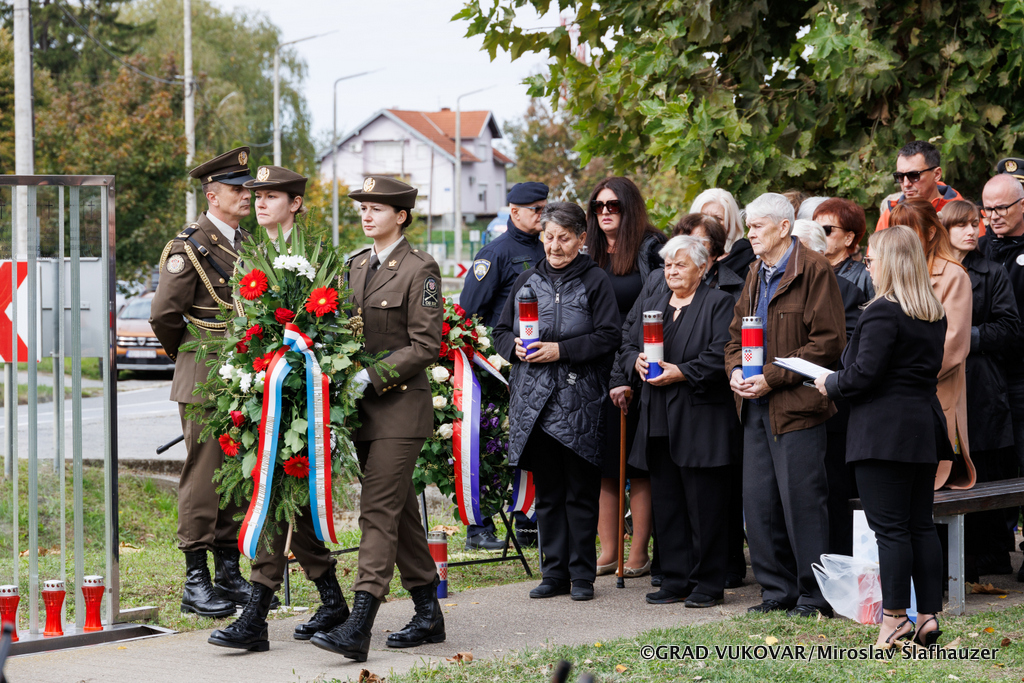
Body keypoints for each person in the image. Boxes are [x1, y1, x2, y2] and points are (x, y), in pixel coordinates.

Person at [208, 166, 345, 651]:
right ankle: (332, 600)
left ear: (296, 204)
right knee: (284, 500)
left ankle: (255, 617)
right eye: (257, 196)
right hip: (259, 394)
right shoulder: (250, 257)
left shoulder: (317, 258)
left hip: (303, 398)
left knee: (274, 498)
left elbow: (330, 329)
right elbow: (242, 328)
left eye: (271, 196)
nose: (260, 203)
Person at [311, 176, 444, 662]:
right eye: (363, 208)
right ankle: (428, 612)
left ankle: (359, 624)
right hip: (362, 413)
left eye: (378, 208)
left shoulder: (419, 268)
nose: (367, 215)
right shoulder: (354, 265)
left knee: (376, 511)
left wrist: (371, 375)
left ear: (401, 216)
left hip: (401, 408)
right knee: (399, 512)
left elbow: (426, 345)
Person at [814, 226, 949, 650]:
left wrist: (830, 383)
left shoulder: (881, 312)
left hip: (883, 432)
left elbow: (863, 375)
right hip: (922, 428)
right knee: (920, 524)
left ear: (888, 262)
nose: (868, 267)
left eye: (871, 260)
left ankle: (893, 620)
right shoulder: (933, 312)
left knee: (890, 530)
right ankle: (927, 616)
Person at [724, 192, 845, 618]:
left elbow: (828, 343)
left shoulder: (813, 269)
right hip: (754, 404)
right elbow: (735, 335)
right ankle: (776, 591)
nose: (750, 234)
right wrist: (735, 371)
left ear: (783, 227)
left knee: (802, 503)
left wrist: (771, 378)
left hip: (797, 406)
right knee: (760, 504)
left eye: (757, 226)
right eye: (749, 226)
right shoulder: (755, 270)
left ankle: (814, 596)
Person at [494, 201, 620, 602]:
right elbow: (500, 330)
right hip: (533, 402)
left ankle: (582, 576)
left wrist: (560, 350)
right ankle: (554, 574)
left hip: (579, 400)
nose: (554, 246)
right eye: (548, 237)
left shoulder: (596, 280)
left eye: (564, 238)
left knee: (580, 492)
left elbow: (609, 336)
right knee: (547, 493)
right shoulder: (527, 280)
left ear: (581, 239)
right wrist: (513, 347)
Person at [150, 147, 255, 619]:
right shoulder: (189, 246)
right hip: (205, 373)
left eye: (248, 188)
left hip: (241, 374)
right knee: (203, 474)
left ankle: (229, 572)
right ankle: (196, 580)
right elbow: (164, 315)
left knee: (236, 473)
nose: (246, 195)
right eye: (237, 188)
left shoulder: (246, 242)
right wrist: (190, 357)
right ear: (212, 195)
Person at [617, 235, 737, 607]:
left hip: (700, 419)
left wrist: (682, 372)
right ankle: (675, 578)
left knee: (704, 506)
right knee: (667, 503)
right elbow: (627, 343)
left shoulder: (718, 303)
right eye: (668, 265)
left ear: (702, 268)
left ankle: (708, 583)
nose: (671, 271)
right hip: (657, 418)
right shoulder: (653, 304)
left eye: (680, 264)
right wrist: (635, 361)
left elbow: (721, 354)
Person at [459, 181, 548, 550]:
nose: (543, 215)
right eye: (537, 210)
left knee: (533, 446)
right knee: (490, 447)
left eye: (546, 208)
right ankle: (479, 528)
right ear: (515, 212)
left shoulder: (548, 248)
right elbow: (468, 313)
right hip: (499, 369)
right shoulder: (495, 253)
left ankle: (527, 523)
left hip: (539, 365)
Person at [588, 177, 666, 579]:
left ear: (629, 207)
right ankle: (608, 550)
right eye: (598, 205)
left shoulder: (652, 248)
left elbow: (662, 304)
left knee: (638, 464)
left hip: (638, 365)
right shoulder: (589, 249)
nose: (605, 212)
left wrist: (634, 359)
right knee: (605, 463)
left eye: (613, 205)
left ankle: (638, 552)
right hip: (595, 367)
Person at [942, 200, 1020, 578]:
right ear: (944, 229)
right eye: (962, 225)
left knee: (986, 469)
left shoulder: (993, 272)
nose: (973, 231)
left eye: (976, 223)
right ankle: (951, 559)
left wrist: (962, 338)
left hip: (981, 382)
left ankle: (990, 554)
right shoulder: (932, 270)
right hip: (942, 382)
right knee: (947, 466)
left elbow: (1010, 328)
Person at [791, 219, 867, 556]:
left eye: (798, 249)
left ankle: (839, 561)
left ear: (818, 253)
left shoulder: (845, 290)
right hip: (788, 404)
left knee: (834, 489)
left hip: (830, 407)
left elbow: (847, 349)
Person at [889, 199, 975, 489]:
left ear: (930, 232)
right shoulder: (891, 273)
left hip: (933, 391)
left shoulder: (953, 275)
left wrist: (903, 377)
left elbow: (954, 346)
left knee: (928, 489)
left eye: (909, 231)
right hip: (896, 401)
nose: (902, 239)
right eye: (896, 230)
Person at [977, 173, 1024, 580]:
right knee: (992, 466)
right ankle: (992, 551)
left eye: (1002, 208)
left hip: (1021, 376)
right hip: (990, 379)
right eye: (987, 209)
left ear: (1022, 205)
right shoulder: (979, 250)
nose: (993, 216)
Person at [876, 140, 969, 231]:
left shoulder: (962, 212)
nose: (906, 184)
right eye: (900, 176)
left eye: (914, 175)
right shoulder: (890, 215)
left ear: (936, 174)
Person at [812, 198, 874, 300]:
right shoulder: (808, 272)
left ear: (848, 238)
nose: (819, 235)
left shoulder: (865, 276)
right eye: (816, 229)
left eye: (826, 230)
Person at [689, 188, 754, 274]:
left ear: (730, 224)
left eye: (717, 218)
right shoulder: (679, 254)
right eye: (703, 216)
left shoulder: (747, 258)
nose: (709, 223)